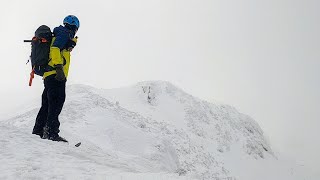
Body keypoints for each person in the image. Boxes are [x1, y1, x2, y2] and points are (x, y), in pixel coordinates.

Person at [32, 15, 80, 142]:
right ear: (75, 26)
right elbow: (54, 49)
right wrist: (59, 68)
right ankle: (51, 133)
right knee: (56, 103)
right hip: (56, 74)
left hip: (49, 75)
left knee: (47, 104)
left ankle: (38, 131)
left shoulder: (59, 34)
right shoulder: (65, 33)